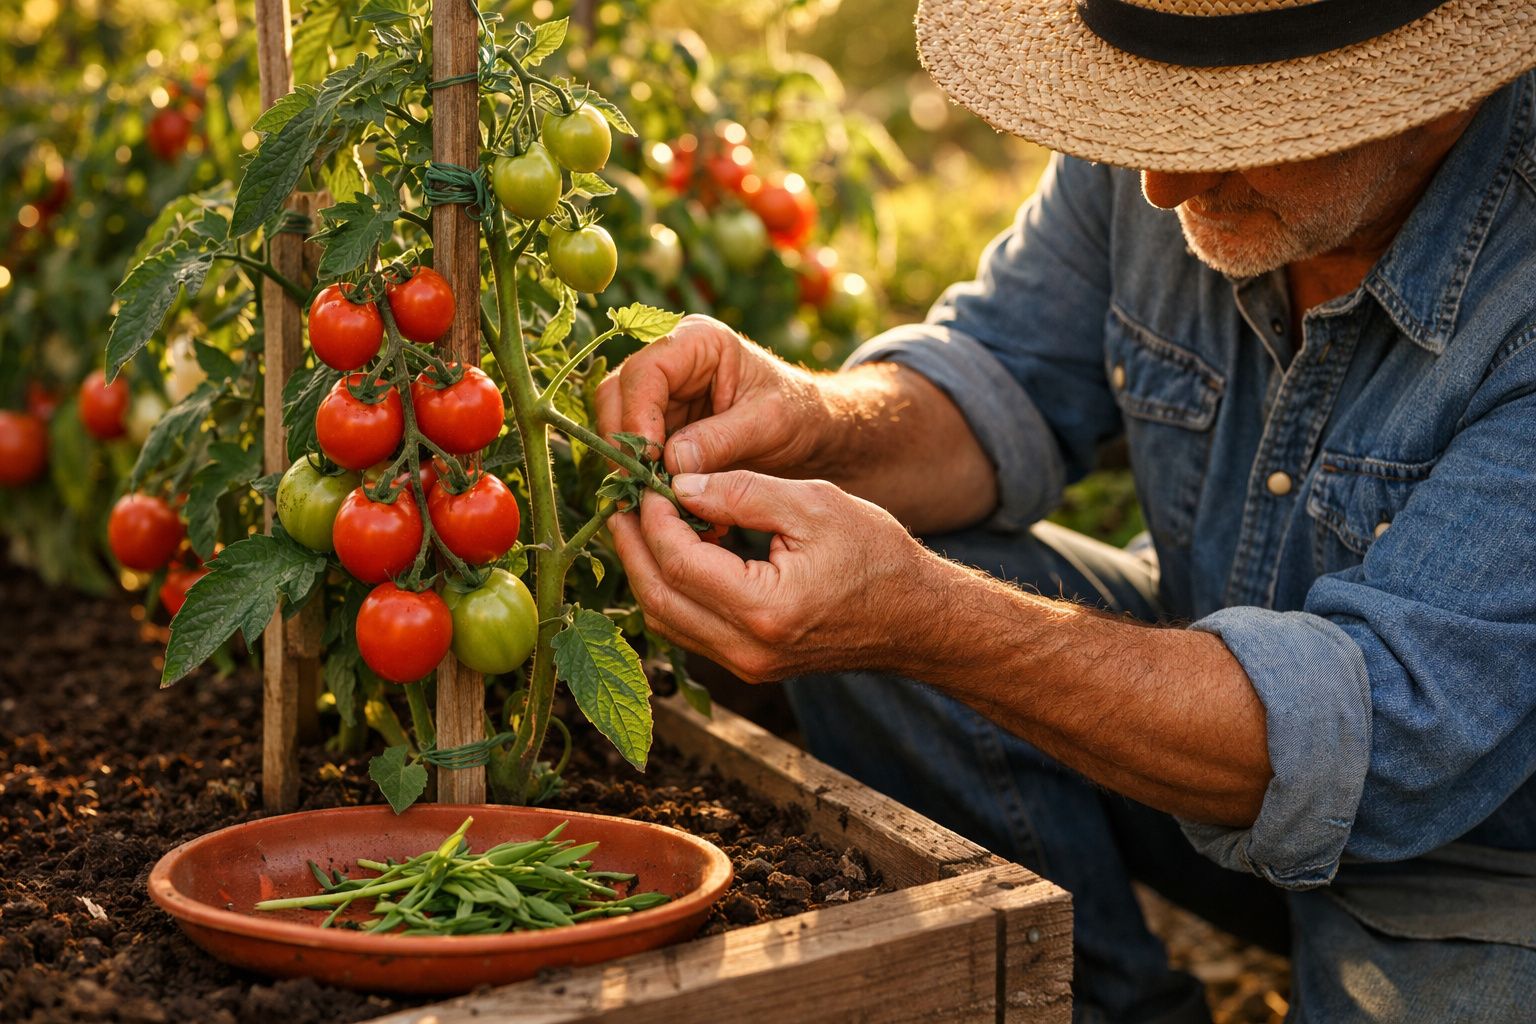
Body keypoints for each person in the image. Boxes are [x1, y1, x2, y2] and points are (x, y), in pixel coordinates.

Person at [597, 2, 1536, 1021]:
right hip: (1207, 752)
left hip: (1482, 868)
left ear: (1438, 104)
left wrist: (927, 616)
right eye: (1146, 125)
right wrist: (817, 419)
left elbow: (1383, 733)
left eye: (1240, 132)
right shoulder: (1159, 136)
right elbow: (1005, 374)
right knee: (899, 597)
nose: (1160, 184)